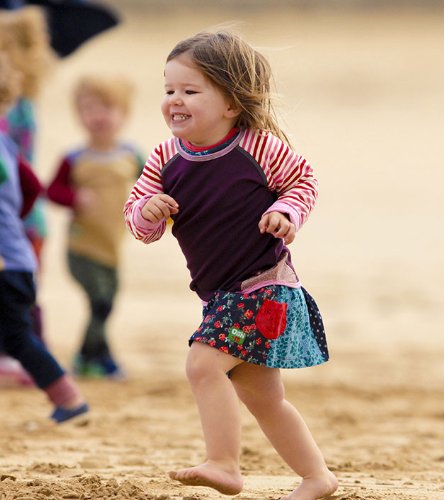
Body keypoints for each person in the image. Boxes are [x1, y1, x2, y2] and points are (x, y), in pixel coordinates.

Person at [124, 30, 338, 499]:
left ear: (231, 103)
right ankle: (317, 477)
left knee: (203, 365)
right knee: (265, 399)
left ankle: (224, 463)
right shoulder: (164, 158)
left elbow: (303, 181)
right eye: (169, 89)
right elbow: (138, 223)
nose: (175, 100)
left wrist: (287, 212)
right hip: (221, 297)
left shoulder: (258, 148)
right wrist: (148, 212)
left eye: (190, 90)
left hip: (264, 288)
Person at [0, 51, 89, 423]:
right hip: (16, 259)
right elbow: (32, 186)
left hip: (5, 265)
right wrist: (12, 225)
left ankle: (70, 400)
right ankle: (68, 399)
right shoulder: (6, 142)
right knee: (19, 338)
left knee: (18, 338)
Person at [47, 75, 145, 380]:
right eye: (89, 108)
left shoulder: (130, 155)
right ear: (79, 115)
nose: (98, 115)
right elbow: (52, 191)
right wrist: (74, 197)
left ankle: (97, 358)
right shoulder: (74, 158)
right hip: (81, 246)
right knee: (100, 301)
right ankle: (88, 358)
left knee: (106, 302)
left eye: (107, 107)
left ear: (124, 114)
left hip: (112, 245)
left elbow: (154, 183)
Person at [0, 6, 55, 384]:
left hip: (15, 216)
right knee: (24, 293)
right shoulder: (23, 106)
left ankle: (29, 361)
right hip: (26, 215)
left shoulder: (13, 110)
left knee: (18, 296)